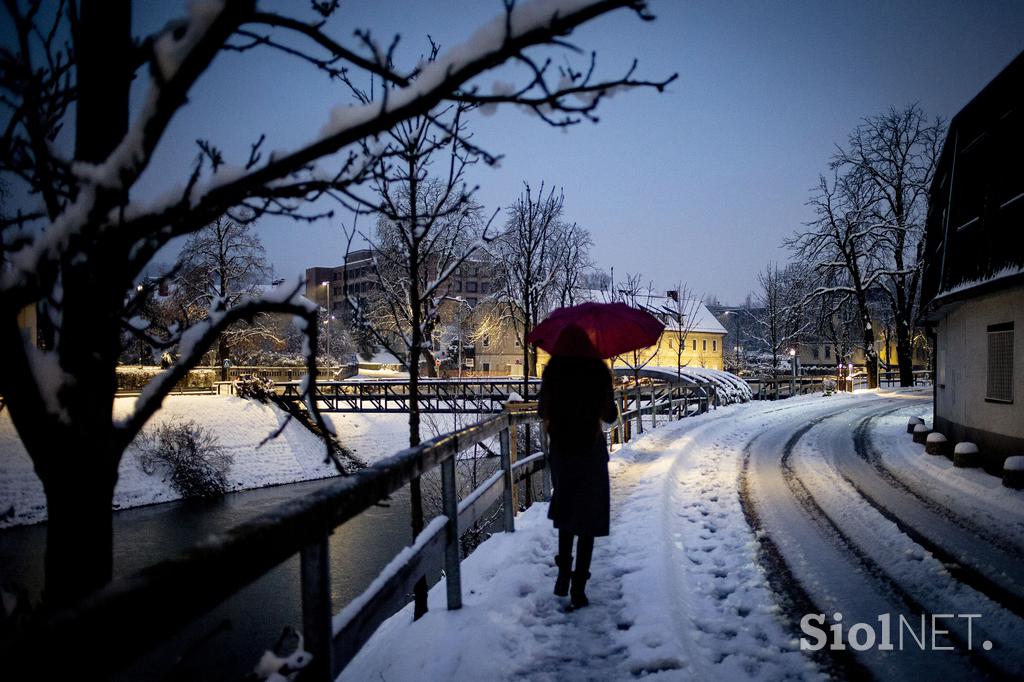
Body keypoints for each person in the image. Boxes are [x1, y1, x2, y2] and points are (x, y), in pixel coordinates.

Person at [538, 325, 618, 608]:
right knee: (588, 519)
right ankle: (579, 587)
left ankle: (563, 571)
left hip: (562, 451)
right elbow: (611, 416)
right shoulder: (598, 371)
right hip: (590, 452)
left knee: (567, 511)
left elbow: (541, 410)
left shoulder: (553, 371)